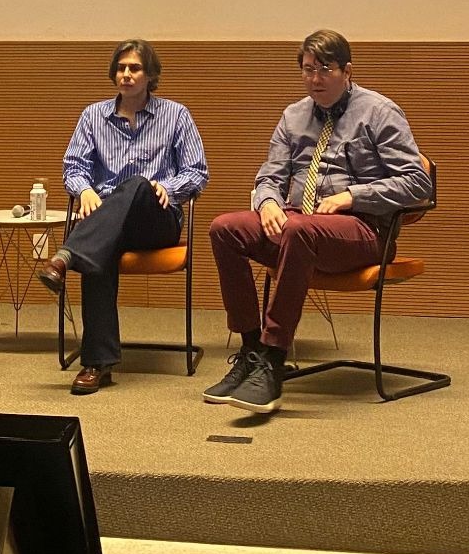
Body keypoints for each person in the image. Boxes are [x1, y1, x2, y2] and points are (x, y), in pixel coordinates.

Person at [204, 29, 432, 417]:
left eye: (324, 69)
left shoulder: (379, 111)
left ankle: (274, 359)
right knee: (225, 227)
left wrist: (353, 195)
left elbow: (418, 182)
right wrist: (269, 203)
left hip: (364, 230)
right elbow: (269, 175)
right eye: (308, 70)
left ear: (347, 70)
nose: (315, 79)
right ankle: (252, 352)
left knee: (298, 231)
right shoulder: (293, 115)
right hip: (300, 224)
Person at [34, 39, 209, 396]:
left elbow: (197, 172)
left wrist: (170, 188)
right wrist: (82, 189)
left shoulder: (176, 115)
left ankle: (66, 256)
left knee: (136, 185)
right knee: (101, 246)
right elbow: (73, 167)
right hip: (106, 222)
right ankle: (96, 364)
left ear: (150, 75)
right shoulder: (92, 116)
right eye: (121, 68)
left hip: (156, 220)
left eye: (135, 68)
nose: (126, 75)